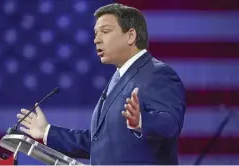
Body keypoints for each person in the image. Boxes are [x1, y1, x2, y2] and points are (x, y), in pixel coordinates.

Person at [17, 3, 186, 165]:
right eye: (96, 33)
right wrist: (46, 131)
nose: (96, 40)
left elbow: (170, 125)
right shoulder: (119, 77)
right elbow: (98, 144)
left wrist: (141, 120)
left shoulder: (158, 74)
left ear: (130, 36)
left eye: (105, 31)